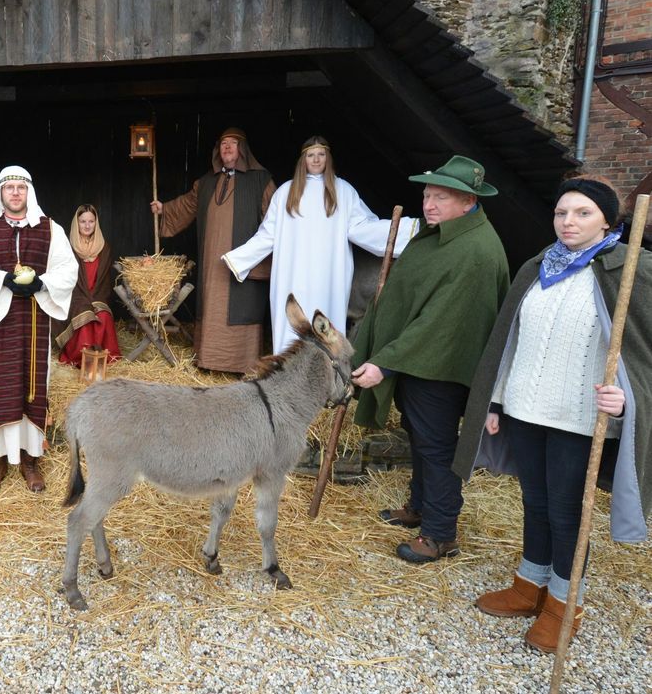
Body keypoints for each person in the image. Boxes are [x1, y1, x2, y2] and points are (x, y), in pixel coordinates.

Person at [453, 176, 652, 653]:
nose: (568, 222)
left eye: (582, 213)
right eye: (562, 213)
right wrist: (497, 399)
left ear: (609, 220)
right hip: (525, 409)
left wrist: (629, 401)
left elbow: (644, 355)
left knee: (567, 515)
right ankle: (529, 587)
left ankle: (564, 607)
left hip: (579, 418)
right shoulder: (539, 266)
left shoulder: (631, 271)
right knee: (535, 503)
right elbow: (511, 340)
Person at [351, 155, 509, 563]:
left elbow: (440, 323)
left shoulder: (475, 251)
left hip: (440, 368)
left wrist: (385, 362)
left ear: (468, 202)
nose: (430, 203)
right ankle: (420, 506)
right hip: (420, 363)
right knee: (420, 438)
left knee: (437, 448)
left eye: (442, 196)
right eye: (427, 194)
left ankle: (440, 534)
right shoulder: (441, 235)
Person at [223, 136, 418, 352]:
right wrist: (238, 259)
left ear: (328, 158)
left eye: (321, 155)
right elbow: (268, 234)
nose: (316, 160)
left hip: (329, 278)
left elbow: (363, 228)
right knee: (292, 325)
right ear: (303, 160)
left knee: (326, 329)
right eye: (311, 155)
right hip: (292, 276)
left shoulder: (343, 191)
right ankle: (288, 375)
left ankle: (326, 375)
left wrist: (410, 230)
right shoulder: (286, 193)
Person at [0, 166, 78, 494]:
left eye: (21, 188)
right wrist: (2, 280)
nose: (15, 193)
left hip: (35, 323)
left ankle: (30, 460)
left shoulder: (49, 229)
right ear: (0, 192)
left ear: (30, 193)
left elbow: (69, 269)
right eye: (9, 187)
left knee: (32, 386)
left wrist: (41, 282)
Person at [150, 128, 276, 373]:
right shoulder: (206, 182)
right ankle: (209, 360)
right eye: (223, 144)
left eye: (233, 143)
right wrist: (164, 208)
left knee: (242, 304)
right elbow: (187, 204)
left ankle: (243, 363)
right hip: (212, 262)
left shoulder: (261, 180)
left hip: (243, 263)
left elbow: (276, 218)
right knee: (212, 303)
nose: (227, 147)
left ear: (243, 149)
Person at [52, 204, 121, 366]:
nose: (87, 225)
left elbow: (104, 282)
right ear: (77, 223)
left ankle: (106, 357)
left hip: (97, 295)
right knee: (84, 313)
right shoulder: (67, 247)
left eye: (91, 221)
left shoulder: (104, 248)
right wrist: (84, 300)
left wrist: (94, 299)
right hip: (74, 296)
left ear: (96, 223)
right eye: (83, 221)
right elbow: (62, 278)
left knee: (103, 315)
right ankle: (81, 359)